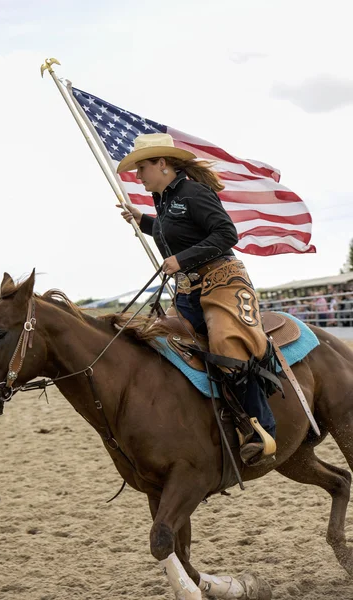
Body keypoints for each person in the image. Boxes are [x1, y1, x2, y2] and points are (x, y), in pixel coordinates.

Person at [117, 133, 276, 466]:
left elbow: (226, 234)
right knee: (160, 339)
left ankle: (260, 431)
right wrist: (142, 219)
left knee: (225, 344)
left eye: (142, 167)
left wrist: (181, 259)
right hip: (188, 290)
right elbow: (177, 229)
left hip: (223, 280)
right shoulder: (163, 200)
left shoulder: (193, 192)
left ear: (163, 164)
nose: (138, 175)